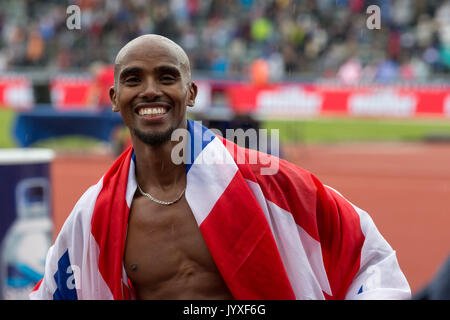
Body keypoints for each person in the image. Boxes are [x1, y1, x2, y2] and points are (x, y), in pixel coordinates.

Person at [30, 34, 411, 300]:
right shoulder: (96, 215)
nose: (150, 90)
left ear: (191, 92)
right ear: (114, 98)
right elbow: (51, 290)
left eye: (166, 76)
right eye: (133, 80)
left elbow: (368, 254)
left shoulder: (264, 181)